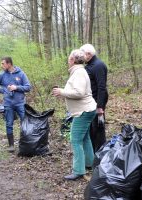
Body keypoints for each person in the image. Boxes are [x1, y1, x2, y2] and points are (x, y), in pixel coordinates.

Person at [52, 49, 97, 181]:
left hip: (83, 112)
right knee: (85, 138)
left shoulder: (79, 73)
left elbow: (79, 93)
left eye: (69, 58)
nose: (68, 60)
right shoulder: (79, 71)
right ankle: (90, 164)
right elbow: (76, 91)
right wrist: (63, 92)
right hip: (86, 110)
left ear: (72, 60)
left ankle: (78, 171)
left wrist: (62, 92)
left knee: (75, 140)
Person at [0, 57, 31, 152]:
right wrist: (3, 90)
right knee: (9, 123)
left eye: (3, 63)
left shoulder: (21, 73)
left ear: (9, 64)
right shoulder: (2, 75)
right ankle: (11, 146)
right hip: (8, 104)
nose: (1, 66)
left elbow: (28, 87)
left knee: (25, 123)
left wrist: (16, 87)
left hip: (20, 103)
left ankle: (24, 144)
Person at [80, 44, 109, 153]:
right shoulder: (89, 65)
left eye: (83, 54)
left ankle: (101, 154)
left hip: (97, 101)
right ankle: (92, 153)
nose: (81, 57)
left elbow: (102, 87)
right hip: (90, 101)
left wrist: (100, 106)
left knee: (98, 128)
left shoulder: (98, 65)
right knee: (92, 128)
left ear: (88, 54)